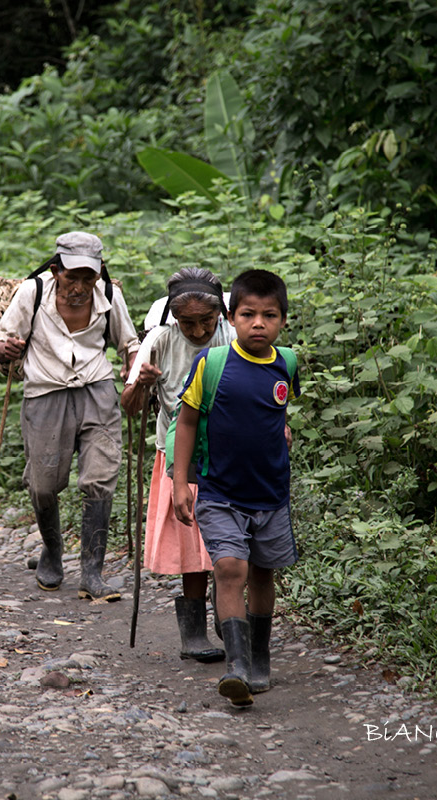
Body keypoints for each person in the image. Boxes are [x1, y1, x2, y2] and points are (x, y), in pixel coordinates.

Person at [171, 269, 300, 707]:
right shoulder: (212, 363)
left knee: (263, 573)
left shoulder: (288, 363)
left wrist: (281, 430)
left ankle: (259, 656)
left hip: (270, 494)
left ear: (283, 320)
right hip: (220, 491)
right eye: (248, 314)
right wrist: (180, 483)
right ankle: (238, 665)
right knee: (229, 569)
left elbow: (277, 409)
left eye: (269, 315)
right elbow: (187, 423)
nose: (258, 323)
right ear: (231, 316)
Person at [0, 232, 140, 601]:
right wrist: (4, 348)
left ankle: (92, 572)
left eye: (88, 278)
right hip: (45, 392)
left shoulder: (110, 295)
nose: (80, 286)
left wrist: (134, 372)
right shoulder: (33, 292)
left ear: (99, 273)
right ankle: (53, 552)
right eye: (72, 276)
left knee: (100, 478)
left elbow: (130, 344)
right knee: (43, 484)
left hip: (98, 390)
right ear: (56, 270)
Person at [121, 268, 233, 662]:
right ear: (174, 317)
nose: (200, 331)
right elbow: (129, 407)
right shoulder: (160, 340)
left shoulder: (231, 336)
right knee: (193, 545)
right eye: (189, 323)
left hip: (229, 452)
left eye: (207, 321)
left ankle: (228, 612)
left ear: (220, 315)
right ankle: (194, 634)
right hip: (180, 458)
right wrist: (142, 384)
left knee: (229, 539)